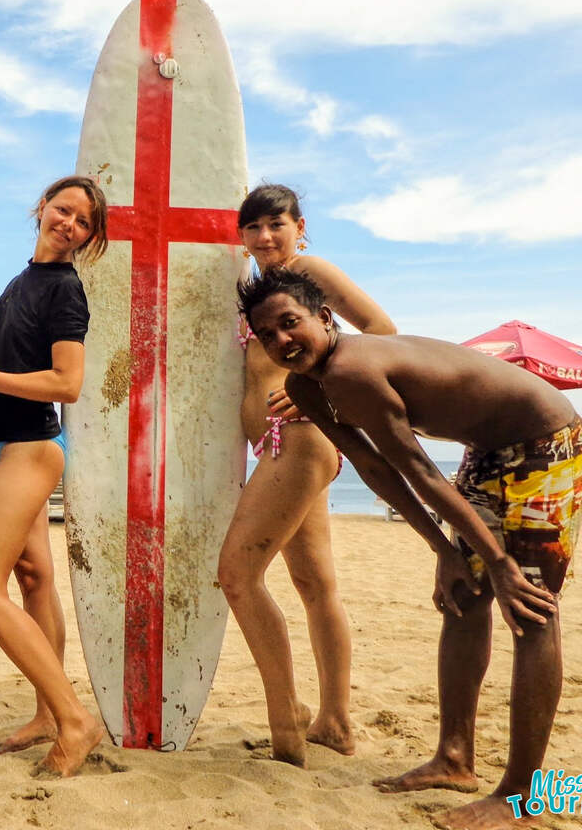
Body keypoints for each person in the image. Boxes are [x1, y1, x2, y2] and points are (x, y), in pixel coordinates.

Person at [239, 267, 582, 830]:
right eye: (267, 336)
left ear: (324, 319)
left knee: (529, 608)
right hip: (487, 448)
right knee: (463, 595)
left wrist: (500, 563)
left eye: (290, 324)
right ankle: (454, 760)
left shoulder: (354, 368)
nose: (282, 341)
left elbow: (421, 472)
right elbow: (377, 470)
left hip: (546, 442)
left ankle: (524, 796)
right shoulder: (308, 385)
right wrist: (442, 551)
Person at [218, 184, 395, 766]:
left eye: (276, 224)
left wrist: (319, 390)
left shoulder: (309, 270)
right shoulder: (259, 289)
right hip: (284, 445)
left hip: (295, 440)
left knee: (238, 577)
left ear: (300, 225)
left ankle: (287, 728)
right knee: (316, 587)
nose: (265, 237)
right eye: (253, 228)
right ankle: (336, 723)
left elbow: (383, 330)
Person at [0, 175, 109, 777]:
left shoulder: (66, 291)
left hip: (32, 447)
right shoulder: (26, 281)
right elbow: (22, 350)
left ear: (90, 236)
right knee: (34, 576)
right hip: (4, 444)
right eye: (63, 209)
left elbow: (66, 382)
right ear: (41, 207)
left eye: (83, 222)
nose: (69, 223)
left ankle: (74, 719)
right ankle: (47, 713)